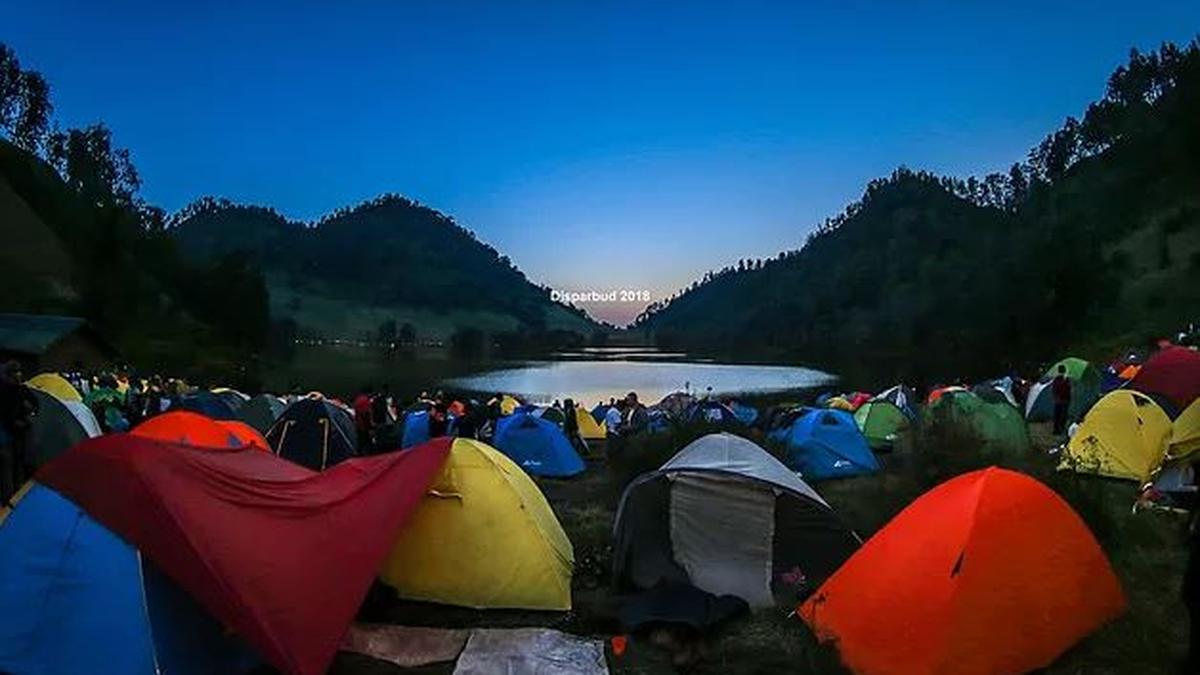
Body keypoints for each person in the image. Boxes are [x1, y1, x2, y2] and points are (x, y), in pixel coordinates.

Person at [0, 361, 38, 502]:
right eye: (15, 372)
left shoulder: (22, 389)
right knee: (12, 465)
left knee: (19, 463)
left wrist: (29, 415)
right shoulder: (7, 390)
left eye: (19, 371)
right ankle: (12, 495)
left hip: (18, 432)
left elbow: (35, 404)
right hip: (11, 433)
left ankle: (15, 494)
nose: (18, 374)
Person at [1051, 364, 1072, 436]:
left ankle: (1056, 429)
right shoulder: (1066, 379)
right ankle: (1061, 429)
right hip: (1064, 400)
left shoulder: (1056, 379)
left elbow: (1054, 390)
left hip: (1058, 400)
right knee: (1063, 415)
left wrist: (1056, 398)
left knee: (1057, 415)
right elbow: (1068, 389)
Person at [353, 385, 375, 451]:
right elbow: (366, 414)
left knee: (361, 443)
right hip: (364, 427)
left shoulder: (357, 399)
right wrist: (370, 427)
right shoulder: (365, 400)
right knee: (367, 444)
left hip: (358, 425)